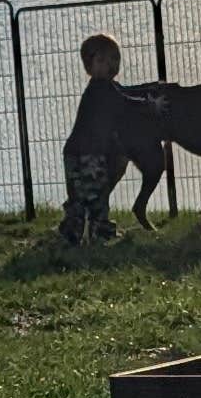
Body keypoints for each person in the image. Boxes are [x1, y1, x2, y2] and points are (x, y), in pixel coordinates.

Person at [60, 30, 164, 244]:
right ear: (89, 66)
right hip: (88, 154)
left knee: (80, 196)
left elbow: (125, 95)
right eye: (102, 60)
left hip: (75, 152)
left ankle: (71, 233)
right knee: (97, 196)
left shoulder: (107, 87)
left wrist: (146, 92)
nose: (111, 64)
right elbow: (125, 103)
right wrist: (150, 104)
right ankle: (100, 235)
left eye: (115, 58)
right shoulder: (101, 88)